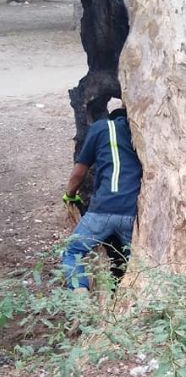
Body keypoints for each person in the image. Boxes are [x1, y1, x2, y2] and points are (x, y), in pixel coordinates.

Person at [62, 98, 142, 291]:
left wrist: (69, 195)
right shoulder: (139, 137)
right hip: (133, 213)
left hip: (102, 210)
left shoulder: (101, 128)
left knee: (73, 251)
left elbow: (79, 172)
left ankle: (79, 293)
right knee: (140, 263)